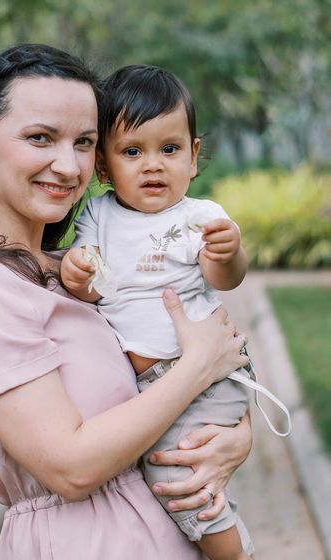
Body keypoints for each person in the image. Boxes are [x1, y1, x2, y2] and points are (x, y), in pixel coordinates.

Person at [0, 45, 254, 560]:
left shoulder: (72, 268)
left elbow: (147, 391)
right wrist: (200, 367)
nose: (67, 165)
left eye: (84, 142)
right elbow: (70, 467)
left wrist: (234, 437)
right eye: (40, 138)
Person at [60, 65, 255, 560]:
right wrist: (77, 274)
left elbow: (225, 280)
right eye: (132, 151)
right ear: (103, 168)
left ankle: (235, 553)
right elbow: (86, 285)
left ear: (192, 158)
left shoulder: (200, 217)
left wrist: (227, 252)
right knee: (178, 479)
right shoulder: (97, 215)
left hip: (204, 377)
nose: (152, 165)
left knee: (178, 483)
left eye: (169, 150)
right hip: (154, 388)